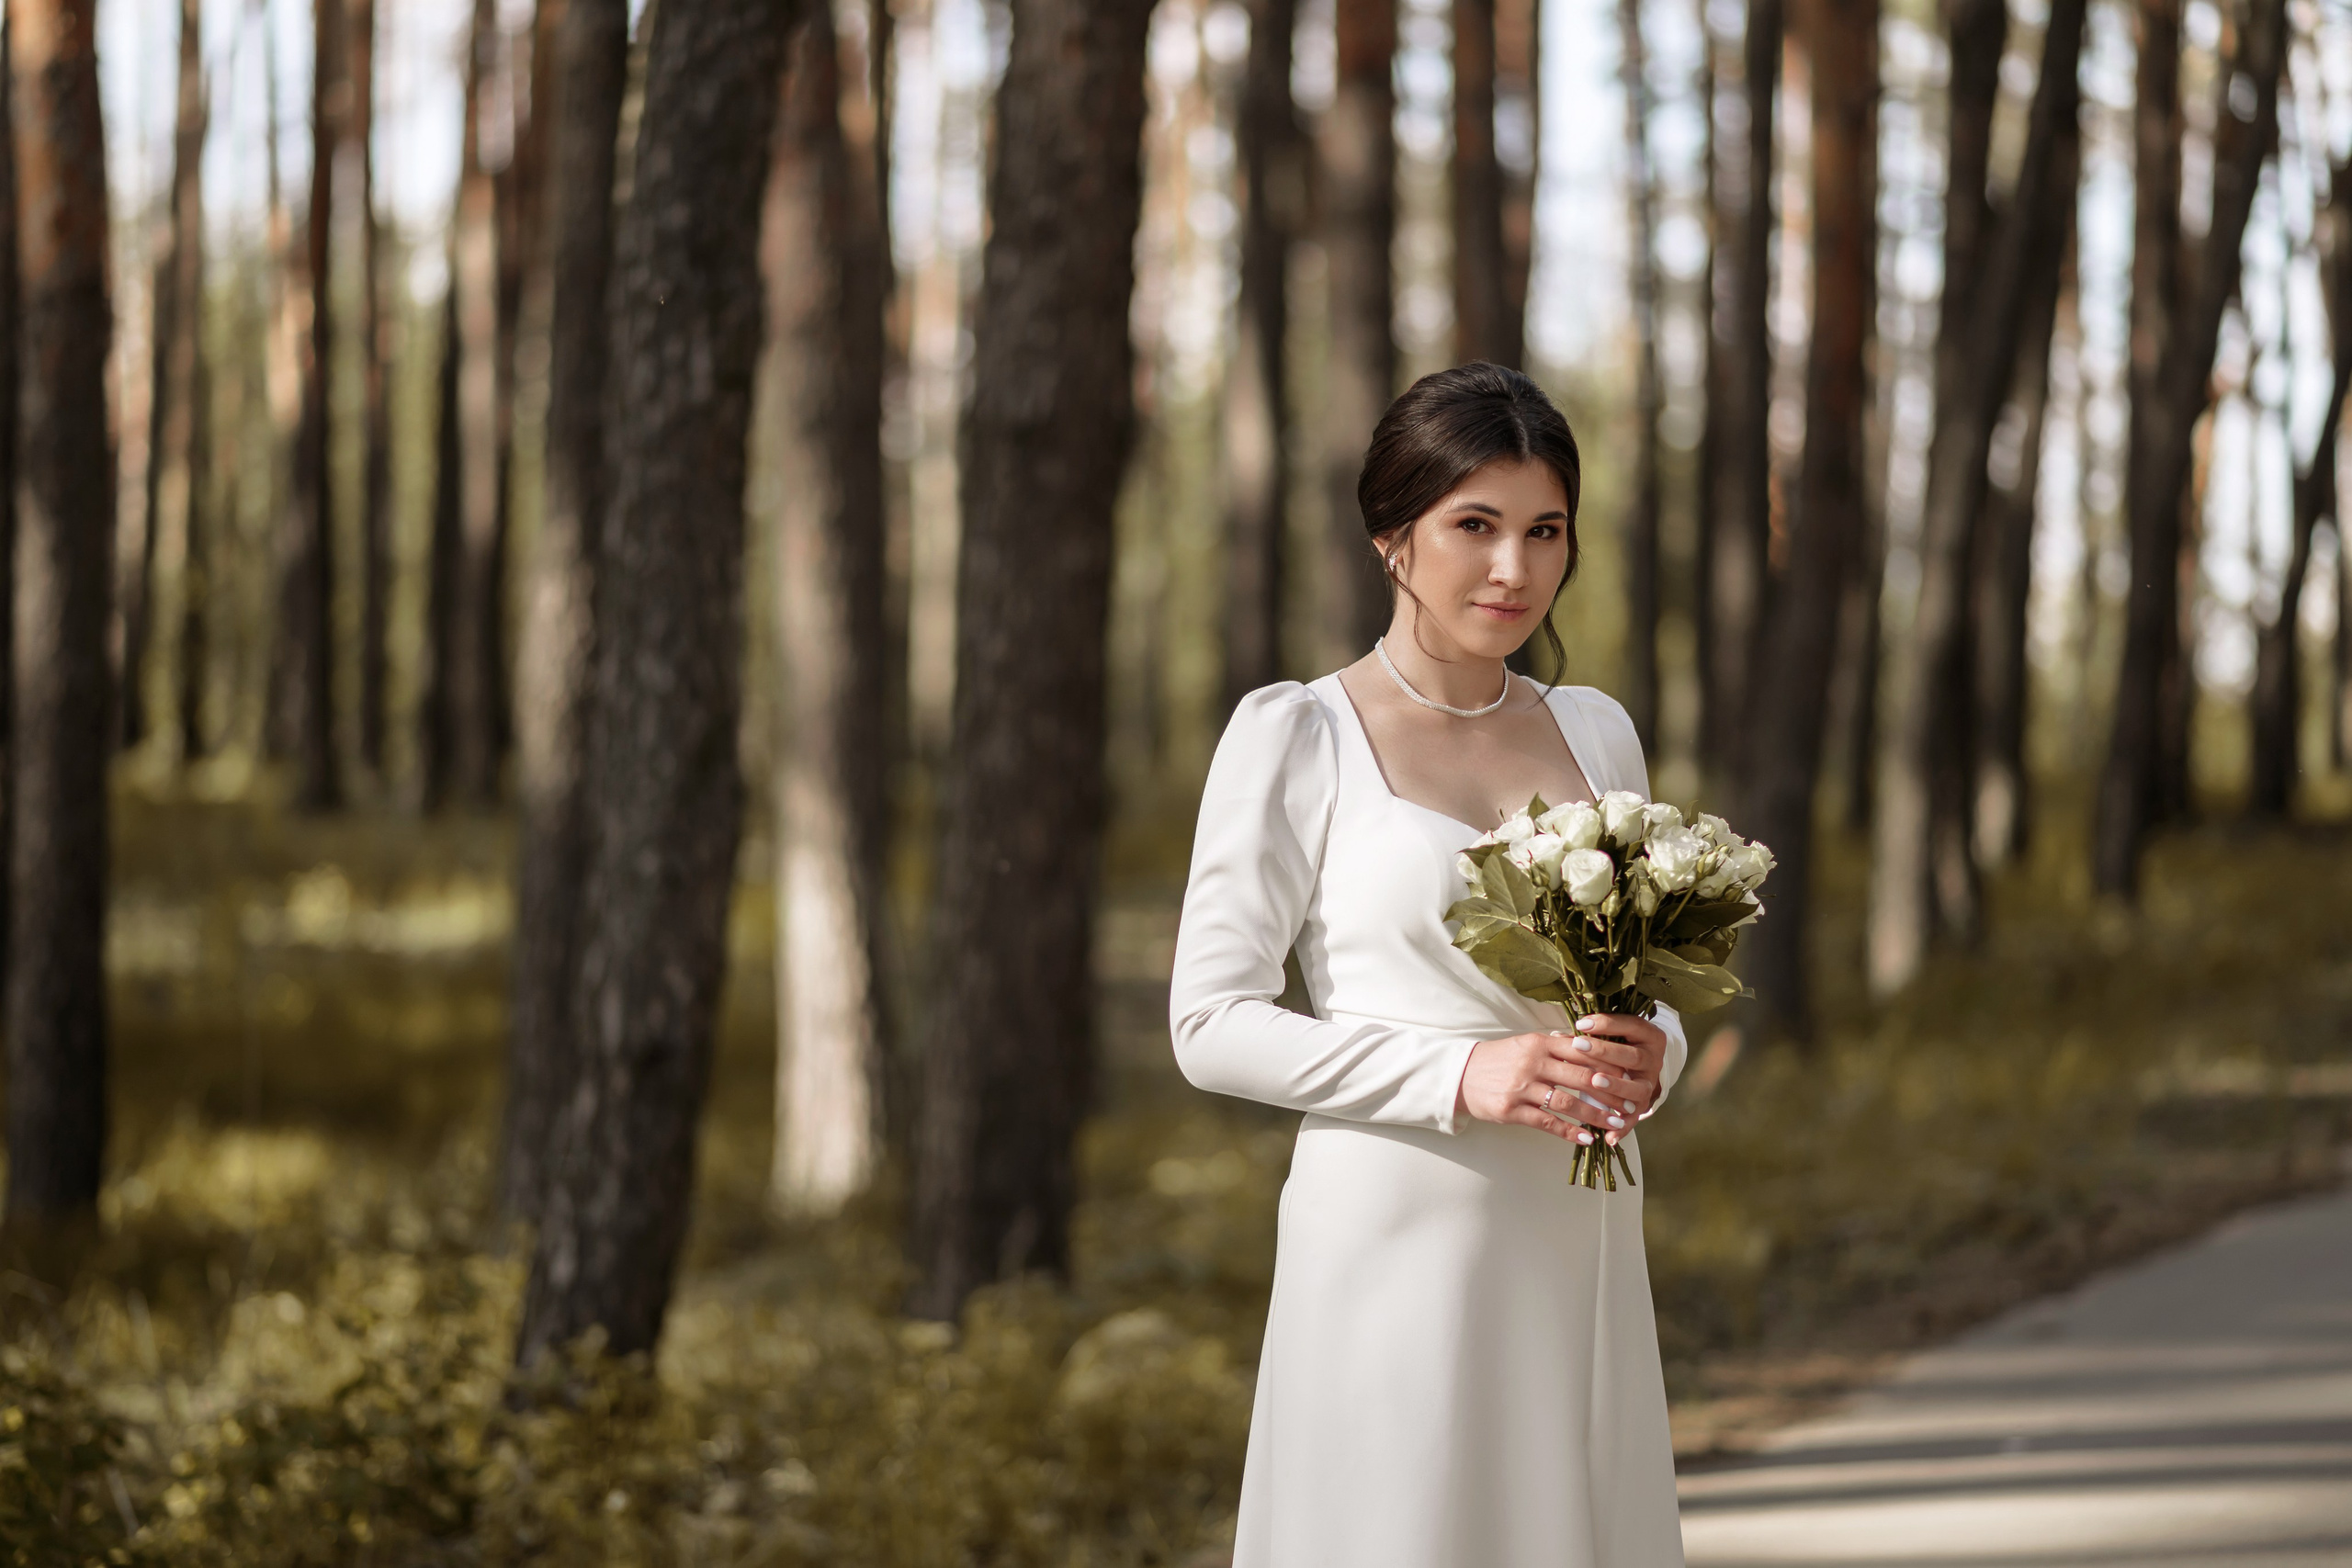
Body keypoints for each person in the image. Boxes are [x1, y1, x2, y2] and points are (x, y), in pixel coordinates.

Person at [1170, 363, 1688, 1566]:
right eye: (1475, 526)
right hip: (1392, 1233)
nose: (1514, 568)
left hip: (1574, 1229)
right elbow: (1209, 1022)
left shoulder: (1598, 729)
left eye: (1544, 530)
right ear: (1392, 536)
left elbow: (1635, 977)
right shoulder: (1297, 735)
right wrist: (1461, 1078)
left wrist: (1647, 1048)